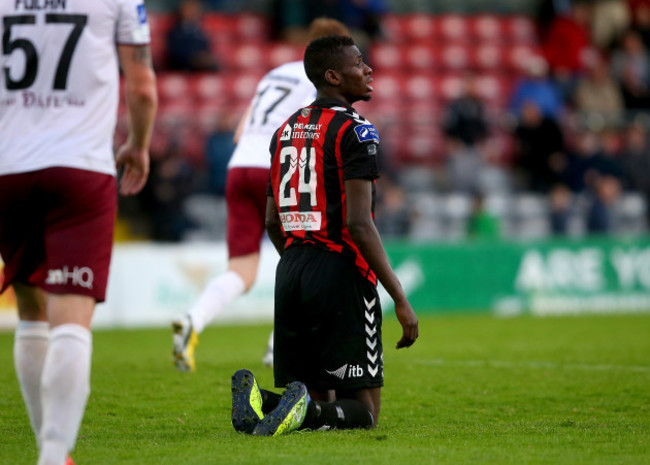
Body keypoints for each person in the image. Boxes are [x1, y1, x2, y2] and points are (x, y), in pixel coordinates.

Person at [230, 35, 419, 437]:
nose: (368, 70)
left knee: (315, 396)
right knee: (365, 413)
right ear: (333, 76)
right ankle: (283, 408)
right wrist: (399, 297)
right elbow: (359, 222)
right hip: (340, 270)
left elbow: (271, 222)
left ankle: (261, 402)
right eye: (358, 63)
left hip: (293, 267)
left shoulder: (284, 130)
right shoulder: (357, 130)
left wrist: (301, 261)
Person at [0, 2, 157, 465]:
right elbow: (143, 88)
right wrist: (139, 146)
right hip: (80, 168)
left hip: (8, 168)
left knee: (31, 312)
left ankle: (50, 451)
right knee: (71, 317)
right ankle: (53, 453)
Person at [172, 18, 352, 372]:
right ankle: (277, 348)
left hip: (239, 168)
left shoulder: (274, 75)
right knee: (310, 262)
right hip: (276, 167)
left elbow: (241, 131)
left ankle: (193, 318)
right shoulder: (321, 81)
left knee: (242, 269)